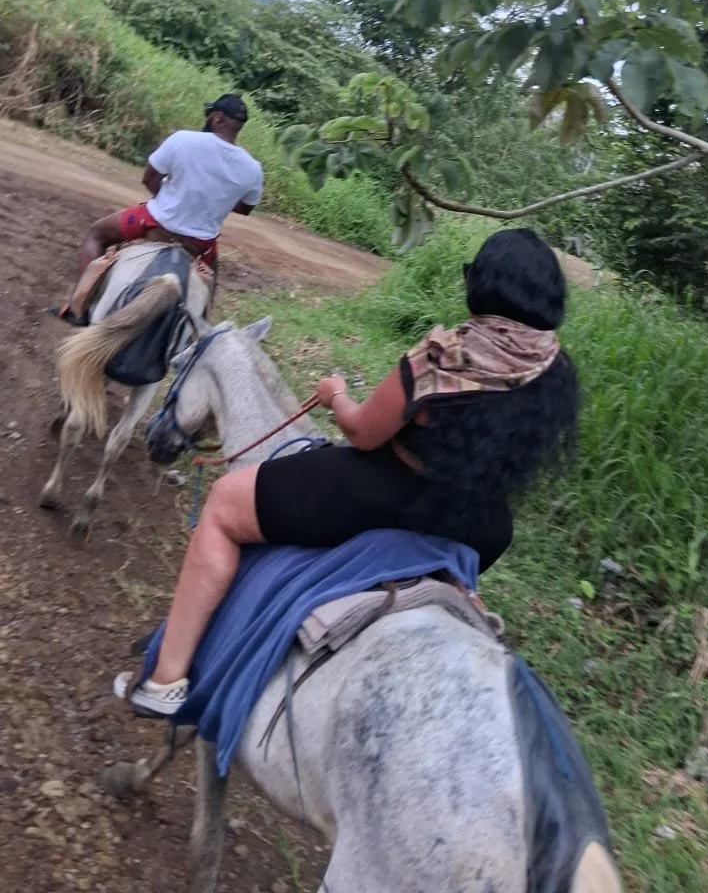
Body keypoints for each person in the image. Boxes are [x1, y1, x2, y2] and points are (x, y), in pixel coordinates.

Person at [117, 227, 579, 716]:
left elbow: (363, 433)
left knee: (226, 503)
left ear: (483, 287)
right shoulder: (554, 367)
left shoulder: (445, 356)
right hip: (480, 524)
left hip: (391, 492)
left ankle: (165, 681)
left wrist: (335, 393)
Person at [59, 94, 263, 318]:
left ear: (217, 117)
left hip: (154, 222)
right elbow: (245, 209)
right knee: (210, 284)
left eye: (209, 115)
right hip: (201, 244)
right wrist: (214, 200)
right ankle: (199, 333)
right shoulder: (252, 168)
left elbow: (149, 178)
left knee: (96, 235)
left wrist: (170, 197)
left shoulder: (184, 140)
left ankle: (79, 307)